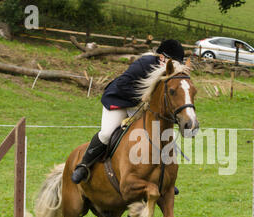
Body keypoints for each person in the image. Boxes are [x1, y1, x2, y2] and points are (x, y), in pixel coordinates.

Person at [71, 39, 185, 185]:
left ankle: (164, 178)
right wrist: (144, 98)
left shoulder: (170, 72)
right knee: (106, 134)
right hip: (119, 100)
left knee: (161, 134)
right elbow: (123, 85)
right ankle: (83, 165)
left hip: (140, 106)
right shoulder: (144, 63)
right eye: (174, 62)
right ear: (162, 57)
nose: (176, 66)